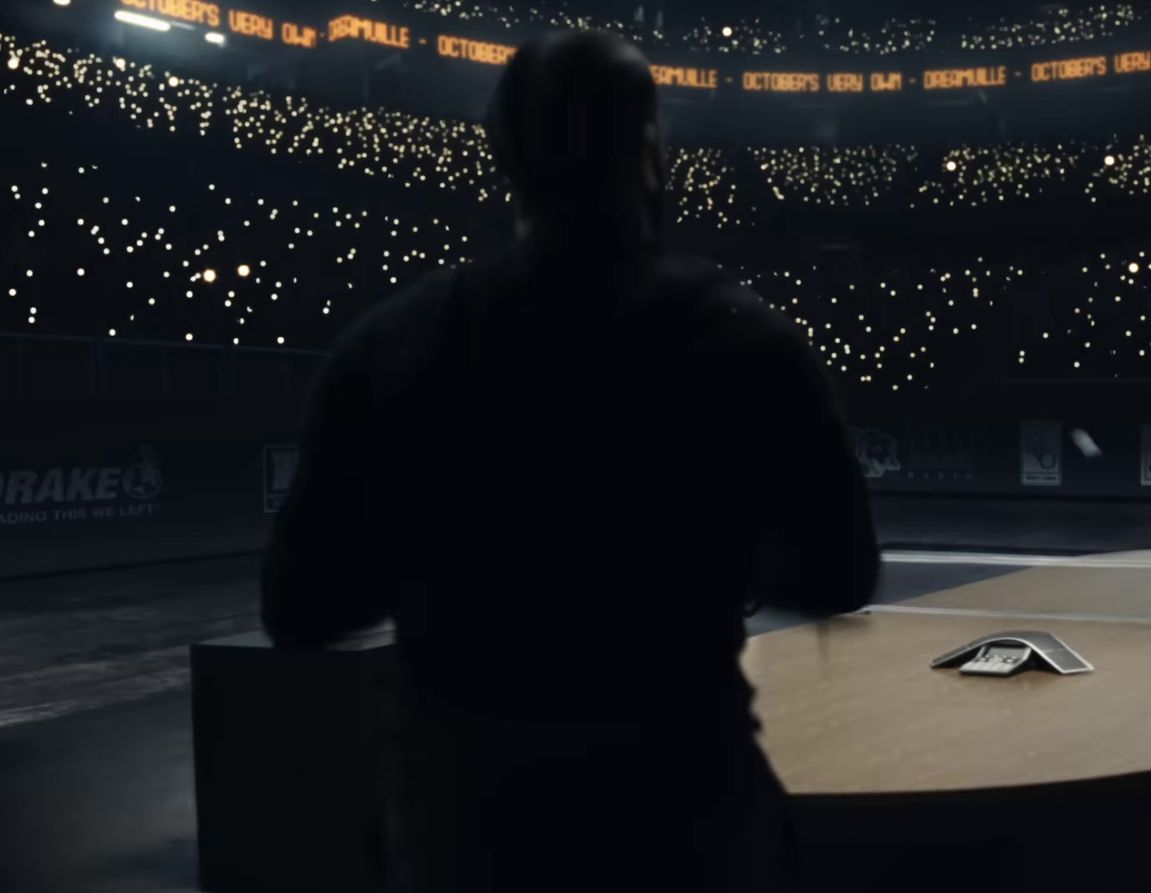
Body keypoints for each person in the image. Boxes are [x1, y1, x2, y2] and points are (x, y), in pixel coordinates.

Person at [259, 30, 880, 892]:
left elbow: (302, 607)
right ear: (650, 153)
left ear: (504, 154)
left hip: (466, 814)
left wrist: (453, 552)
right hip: (680, 801)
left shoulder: (390, 347)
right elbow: (842, 571)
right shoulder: (746, 342)